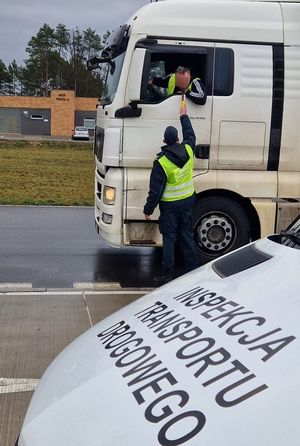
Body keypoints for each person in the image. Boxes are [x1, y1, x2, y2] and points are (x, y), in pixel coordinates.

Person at [143, 96, 199, 283]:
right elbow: (191, 135)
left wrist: (148, 210)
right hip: (187, 203)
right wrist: (184, 116)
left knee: (169, 240)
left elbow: (155, 191)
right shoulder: (189, 150)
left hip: (169, 208)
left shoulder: (161, 162)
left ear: (164, 141)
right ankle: (192, 270)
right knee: (187, 237)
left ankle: (168, 275)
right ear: (177, 139)